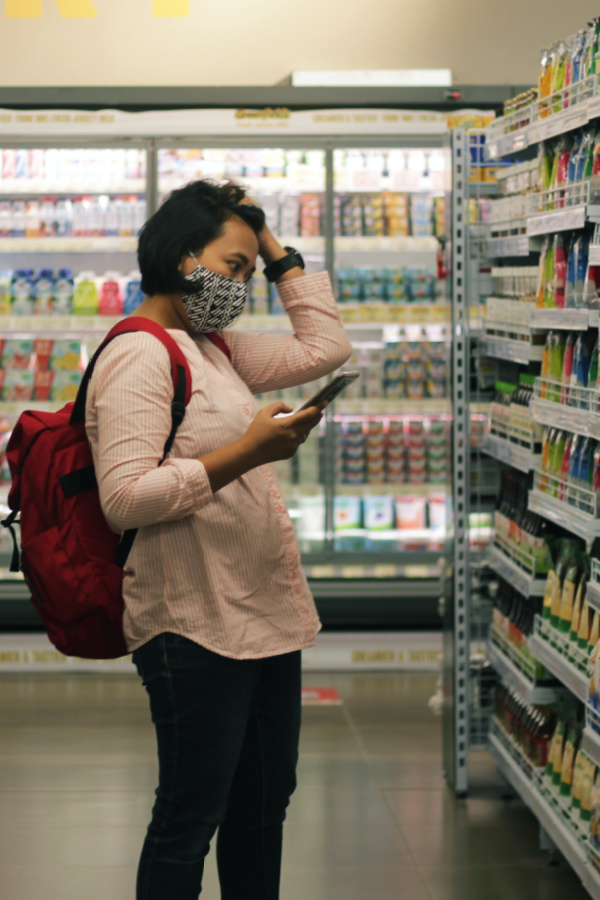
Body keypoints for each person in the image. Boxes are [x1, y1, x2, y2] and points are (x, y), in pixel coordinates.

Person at [85, 178, 352, 900]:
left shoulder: (215, 346)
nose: (243, 286)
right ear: (180, 259)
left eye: (246, 271)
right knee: (190, 815)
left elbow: (326, 345)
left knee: (262, 808)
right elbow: (125, 500)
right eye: (232, 269)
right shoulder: (139, 356)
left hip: (261, 616)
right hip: (192, 622)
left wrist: (269, 245)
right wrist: (249, 454)